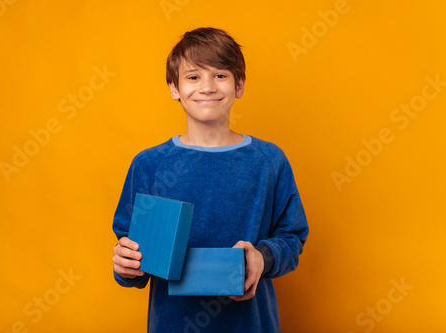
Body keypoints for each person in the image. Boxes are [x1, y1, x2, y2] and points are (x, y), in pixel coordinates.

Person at [112, 27, 309, 332]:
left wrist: (263, 258)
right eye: (193, 77)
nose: (207, 87)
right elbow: (133, 253)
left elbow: (292, 236)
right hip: (172, 324)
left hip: (251, 323)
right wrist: (126, 266)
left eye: (220, 75)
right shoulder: (149, 164)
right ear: (174, 88)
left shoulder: (268, 161)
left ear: (239, 85)